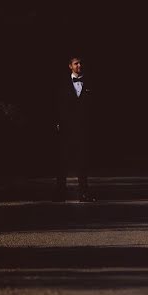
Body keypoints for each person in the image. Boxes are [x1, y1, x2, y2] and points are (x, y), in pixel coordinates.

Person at [54, 56, 95, 202]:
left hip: (83, 128)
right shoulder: (62, 84)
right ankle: (60, 193)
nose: (79, 66)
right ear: (70, 66)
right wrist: (57, 123)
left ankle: (84, 193)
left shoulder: (90, 83)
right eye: (76, 63)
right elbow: (57, 104)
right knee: (62, 161)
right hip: (66, 128)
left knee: (82, 161)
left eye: (81, 63)